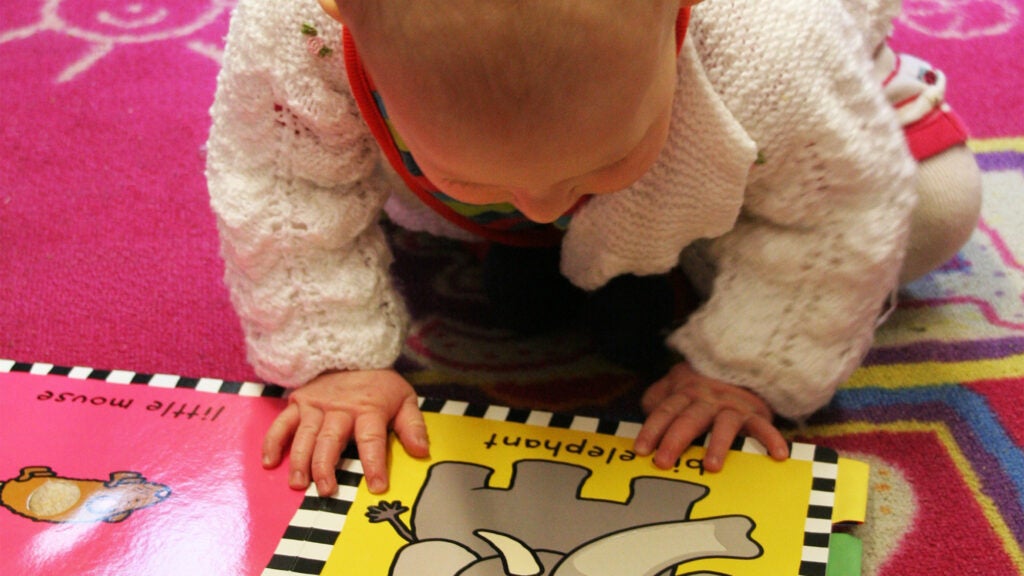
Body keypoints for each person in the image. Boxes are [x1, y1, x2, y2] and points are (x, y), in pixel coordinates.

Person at [206, 0, 982, 497]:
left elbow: (841, 209)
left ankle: (673, 244)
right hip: (503, 141)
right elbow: (281, 182)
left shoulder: (773, 42)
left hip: (772, 128)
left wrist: (750, 366)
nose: (542, 203)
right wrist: (333, 360)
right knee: (344, 163)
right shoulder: (296, 27)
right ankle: (570, 208)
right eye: (494, 179)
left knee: (936, 208)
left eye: (597, 166)